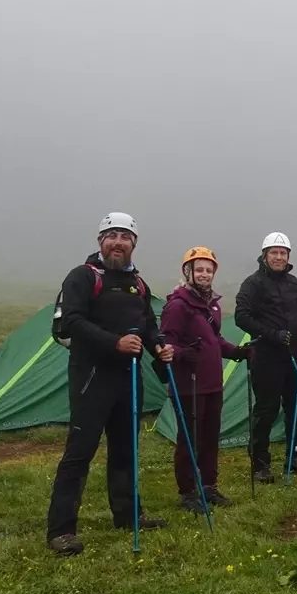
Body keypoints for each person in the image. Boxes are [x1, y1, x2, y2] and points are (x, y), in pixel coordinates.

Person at [46, 212, 173, 556]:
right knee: (79, 452)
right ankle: (61, 530)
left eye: (125, 237)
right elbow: (71, 321)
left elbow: (148, 324)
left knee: (126, 449)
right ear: (100, 240)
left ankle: (128, 514)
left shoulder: (138, 284)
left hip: (128, 378)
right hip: (91, 376)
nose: (118, 242)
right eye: (111, 236)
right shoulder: (83, 276)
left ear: (134, 243)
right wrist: (114, 342)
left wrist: (159, 345)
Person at [159, 246, 248, 512]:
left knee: (210, 437)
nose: (204, 274)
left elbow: (214, 339)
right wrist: (184, 354)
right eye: (199, 269)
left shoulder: (213, 305)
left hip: (212, 383)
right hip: (188, 384)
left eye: (209, 270)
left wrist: (238, 352)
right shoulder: (177, 306)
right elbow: (166, 344)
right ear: (188, 272)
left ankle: (209, 486)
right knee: (190, 439)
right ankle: (188, 492)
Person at [235, 232, 297, 481]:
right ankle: (260, 464)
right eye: (274, 253)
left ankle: (295, 456)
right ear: (265, 255)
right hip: (266, 356)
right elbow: (242, 316)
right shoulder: (253, 283)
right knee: (266, 410)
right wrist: (272, 334)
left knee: (296, 407)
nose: (279, 257)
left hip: (293, 354)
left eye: (283, 253)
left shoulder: (294, 283)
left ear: (288, 256)